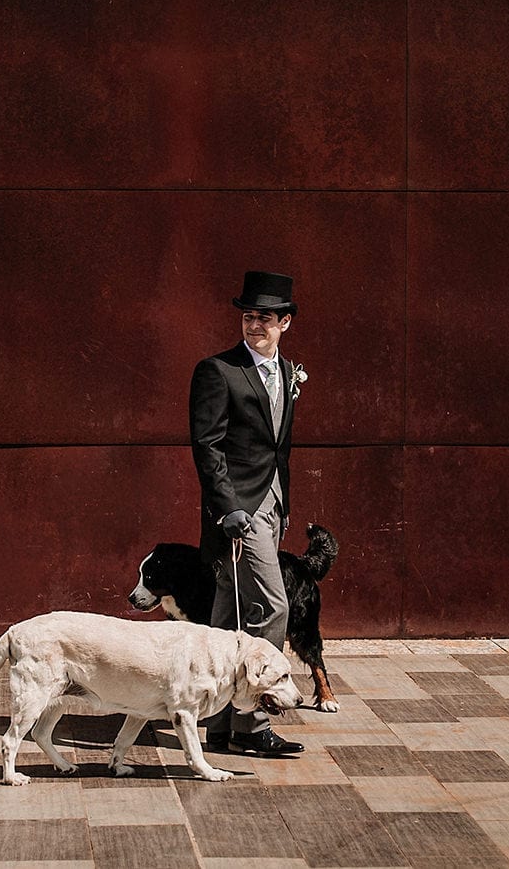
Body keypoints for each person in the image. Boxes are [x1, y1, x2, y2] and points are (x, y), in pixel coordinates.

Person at [189, 270, 305, 757]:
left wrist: (279, 501)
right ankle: (253, 722)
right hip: (239, 508)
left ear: (285, 323)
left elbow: (275, 447)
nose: (254, 325)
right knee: (271, 605)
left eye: (264, 317)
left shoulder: (287, 371)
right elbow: (207, 445)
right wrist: (227, 508)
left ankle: (216, 724)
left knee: (226, 612)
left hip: (272, 501)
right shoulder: (218, 371)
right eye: (248, 316)